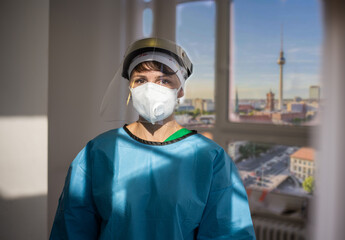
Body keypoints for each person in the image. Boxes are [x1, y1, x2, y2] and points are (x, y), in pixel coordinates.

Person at [50, 37, 256, 240]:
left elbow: (229, 233)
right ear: (130, 87)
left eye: (164, 80)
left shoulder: (210, 158)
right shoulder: (98, 152)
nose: (150, 89)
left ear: (180, 90)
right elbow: (71, 229)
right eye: (140, 80)